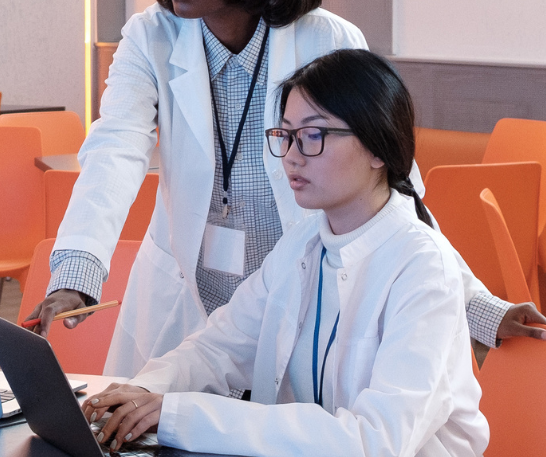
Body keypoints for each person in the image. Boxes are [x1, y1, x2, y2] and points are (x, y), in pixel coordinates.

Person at [26, 0, 546, 376]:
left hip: (297, 293)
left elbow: (396, 191)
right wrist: (78, 275)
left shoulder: (327, 41)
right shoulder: (150, 37)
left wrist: (476, 304)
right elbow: (114, 150)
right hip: (184, 295)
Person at [82, 50, 489, 457]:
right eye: (286, 135)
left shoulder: (423, 266)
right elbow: (219, 346)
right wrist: (144, 391)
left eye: (314, 136)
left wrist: (180, 415)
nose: (292, 156)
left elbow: (375, 441)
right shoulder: (304, 242)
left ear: (378, 148)